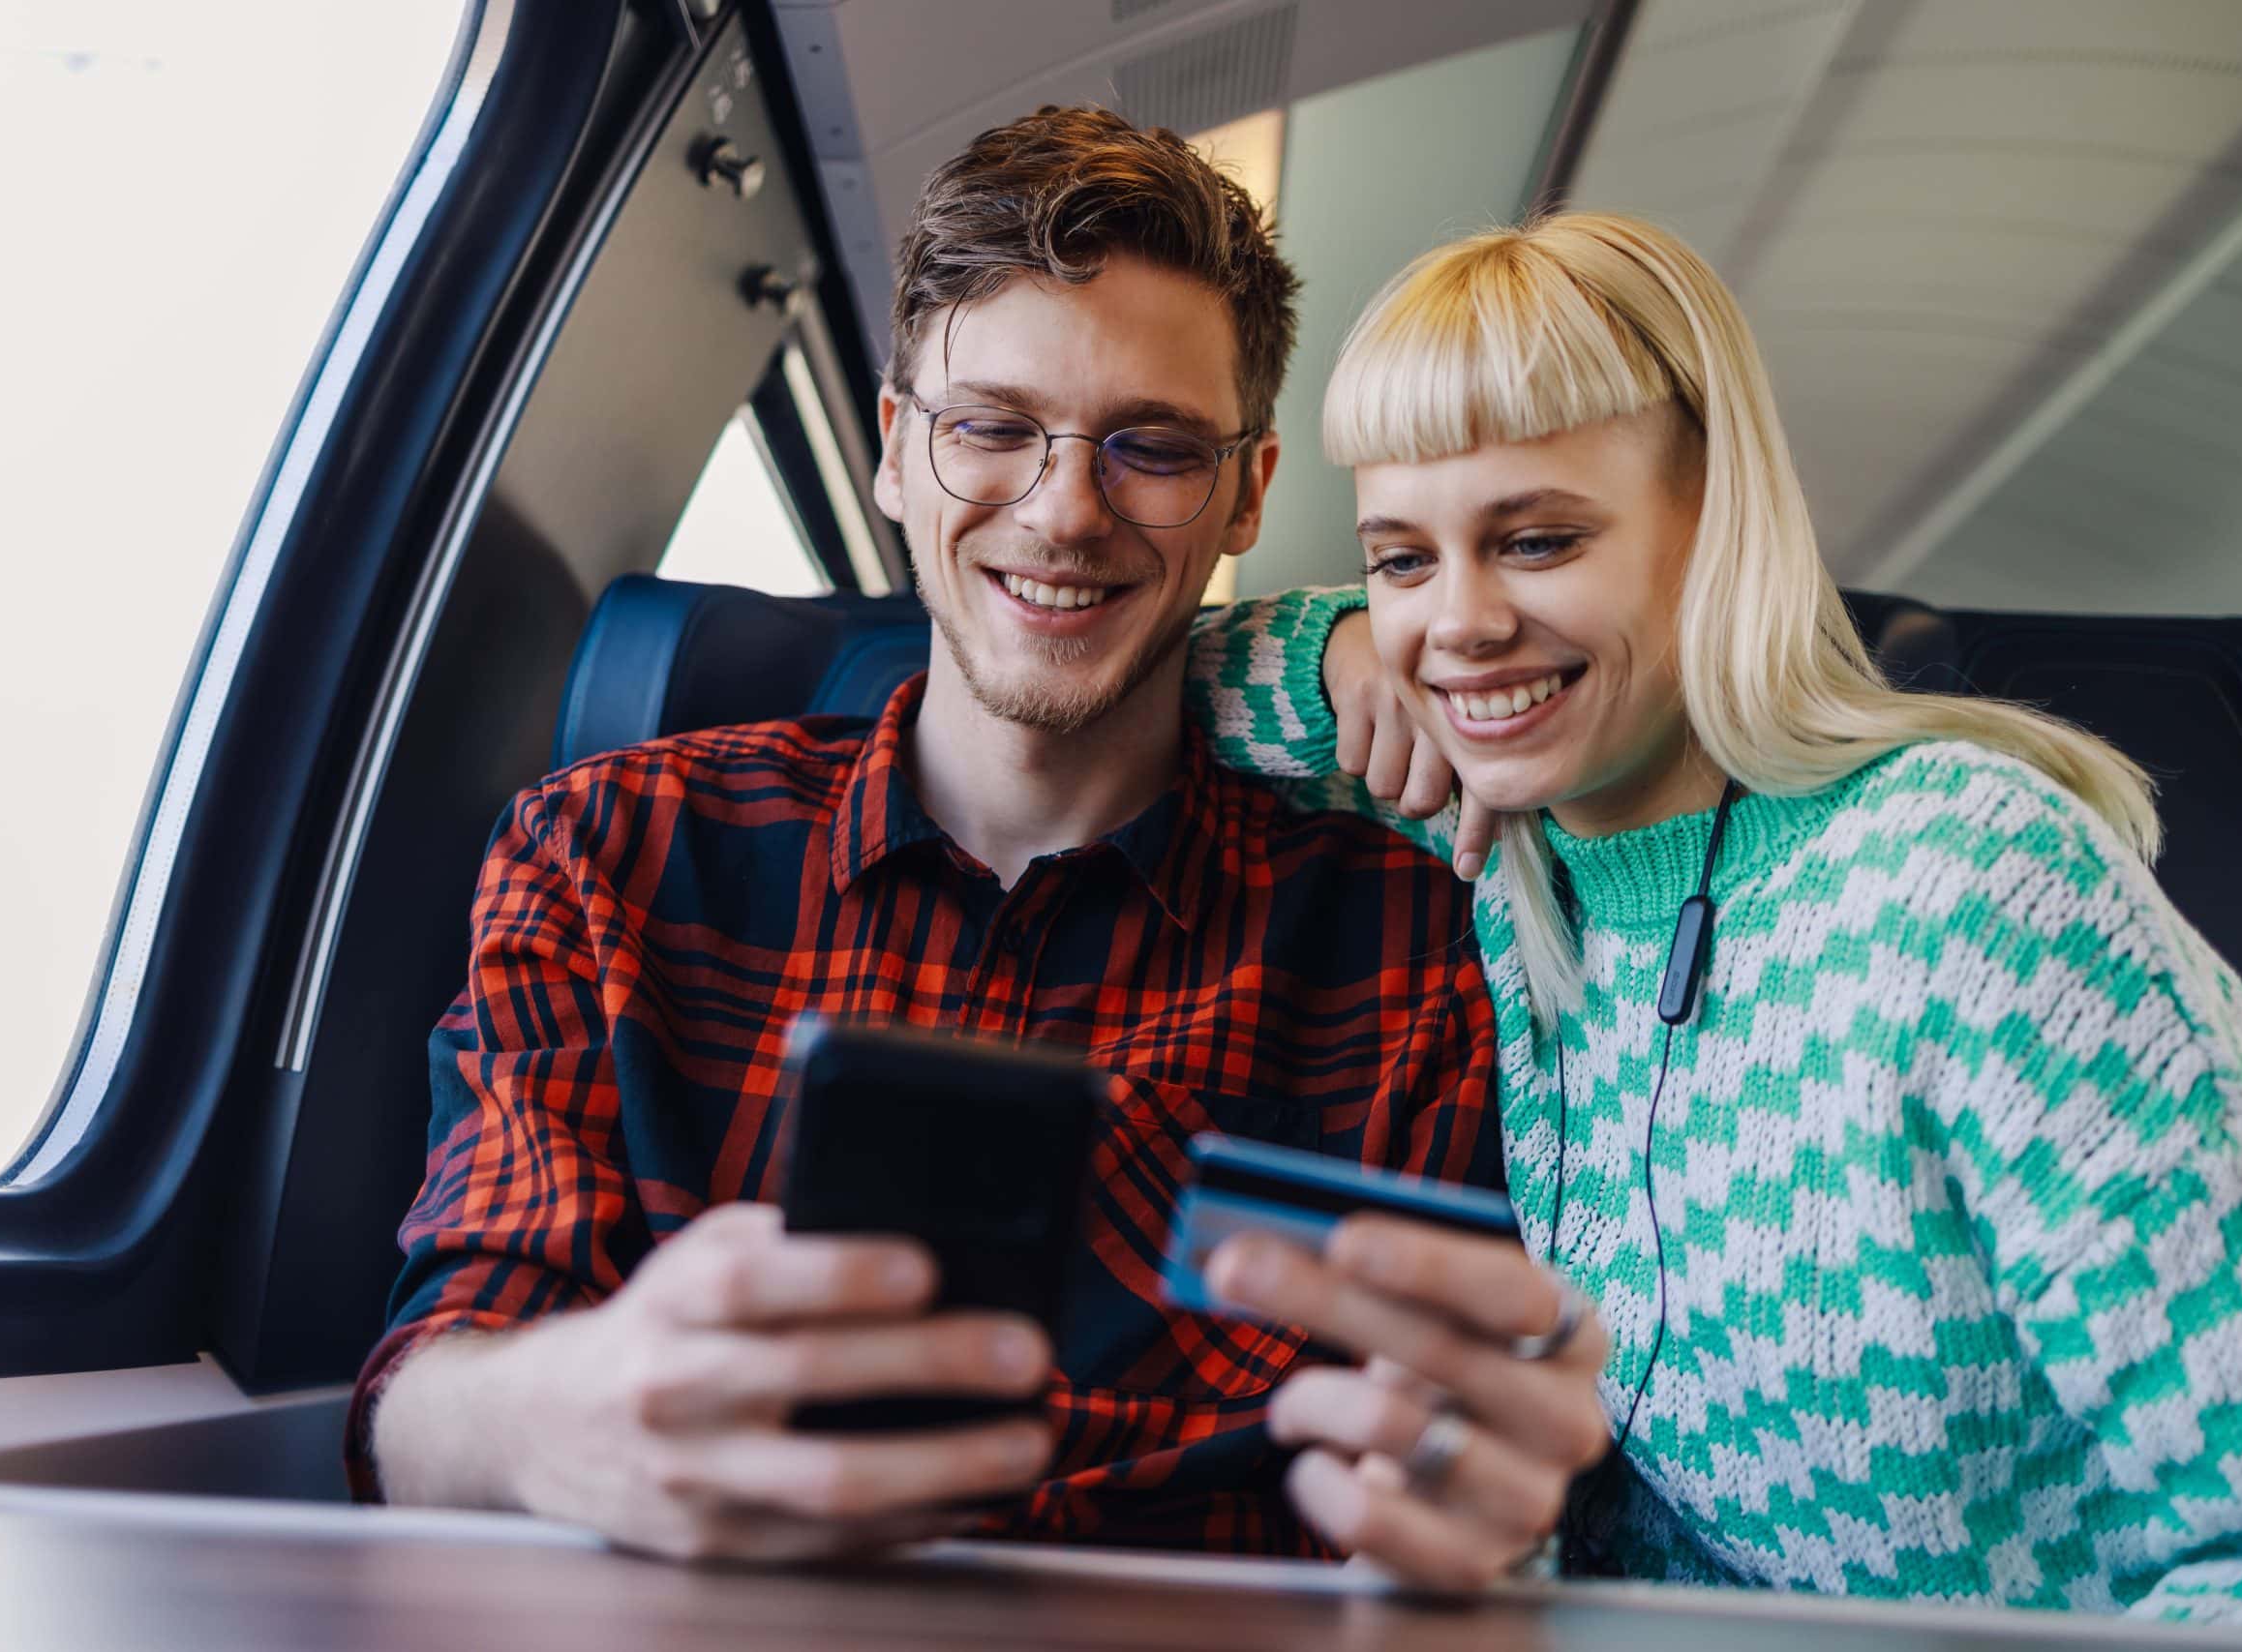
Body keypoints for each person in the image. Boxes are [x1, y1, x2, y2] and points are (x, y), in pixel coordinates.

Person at [351, 106, 1609, 1587]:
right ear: (895, 451)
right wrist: (549, 1420)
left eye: (1151, 446)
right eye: (992, 428)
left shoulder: (1408, 939)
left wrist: (1481, 1505)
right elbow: (421, 1401)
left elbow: (1433, 1450)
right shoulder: (608, 854)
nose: (1064, 513)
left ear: (1249, 496)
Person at [1186, 211, 2242, 1627]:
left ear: (1715, 518)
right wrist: (1356, 646)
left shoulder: (1965, 879)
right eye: (1404, 556)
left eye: (1536, 540)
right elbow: (1142, 661)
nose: (1464, 623)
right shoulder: (1500, 849)